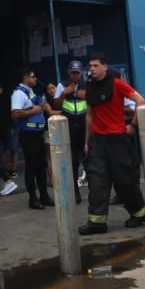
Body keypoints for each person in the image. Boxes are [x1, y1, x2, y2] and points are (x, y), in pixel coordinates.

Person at [77, 53, 145, 234]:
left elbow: (140, 101)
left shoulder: (117, 84)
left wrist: (133, 125)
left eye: (95, 66)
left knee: (125, 181)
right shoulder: (90, 88)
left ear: (105, 67)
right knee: (97, 182)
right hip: (98, 141)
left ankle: (140, 213)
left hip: (117, 141)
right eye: (90, 66)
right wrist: (87, 141)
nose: (92, 69)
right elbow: (89, 116)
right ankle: (96, 222)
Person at [11, 68, 51, 209]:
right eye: (33, 77)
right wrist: (33, 111)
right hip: (28, 135)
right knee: (32, 166)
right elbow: (15, 114)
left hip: (38, 133)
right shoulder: (19, 94)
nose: (35, 79)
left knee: (41, 166)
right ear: (25, 77)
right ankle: (33, 199)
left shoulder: (30, 92)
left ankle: (44, 196)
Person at [53, 62, 90, 200]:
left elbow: (95, 102)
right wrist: (64, 93)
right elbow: (56, 105)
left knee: (89, 160)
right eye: (73, 72)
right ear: (68, 72)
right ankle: (75, 192)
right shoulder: (62, 86)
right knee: (73, 161)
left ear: (81, 73)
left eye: (77, 73)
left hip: (84, 127)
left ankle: (94, 192)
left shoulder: (87, 85)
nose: (75, 75)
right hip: (69, 127)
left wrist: (86, 96)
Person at [0, 79, 20, 184]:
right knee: (1, 150)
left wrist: (13, 122)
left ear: (1, 89)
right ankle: (5, 170)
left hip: (9, 127)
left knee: (13, 148)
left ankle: (14, 169)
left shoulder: (8, 98)